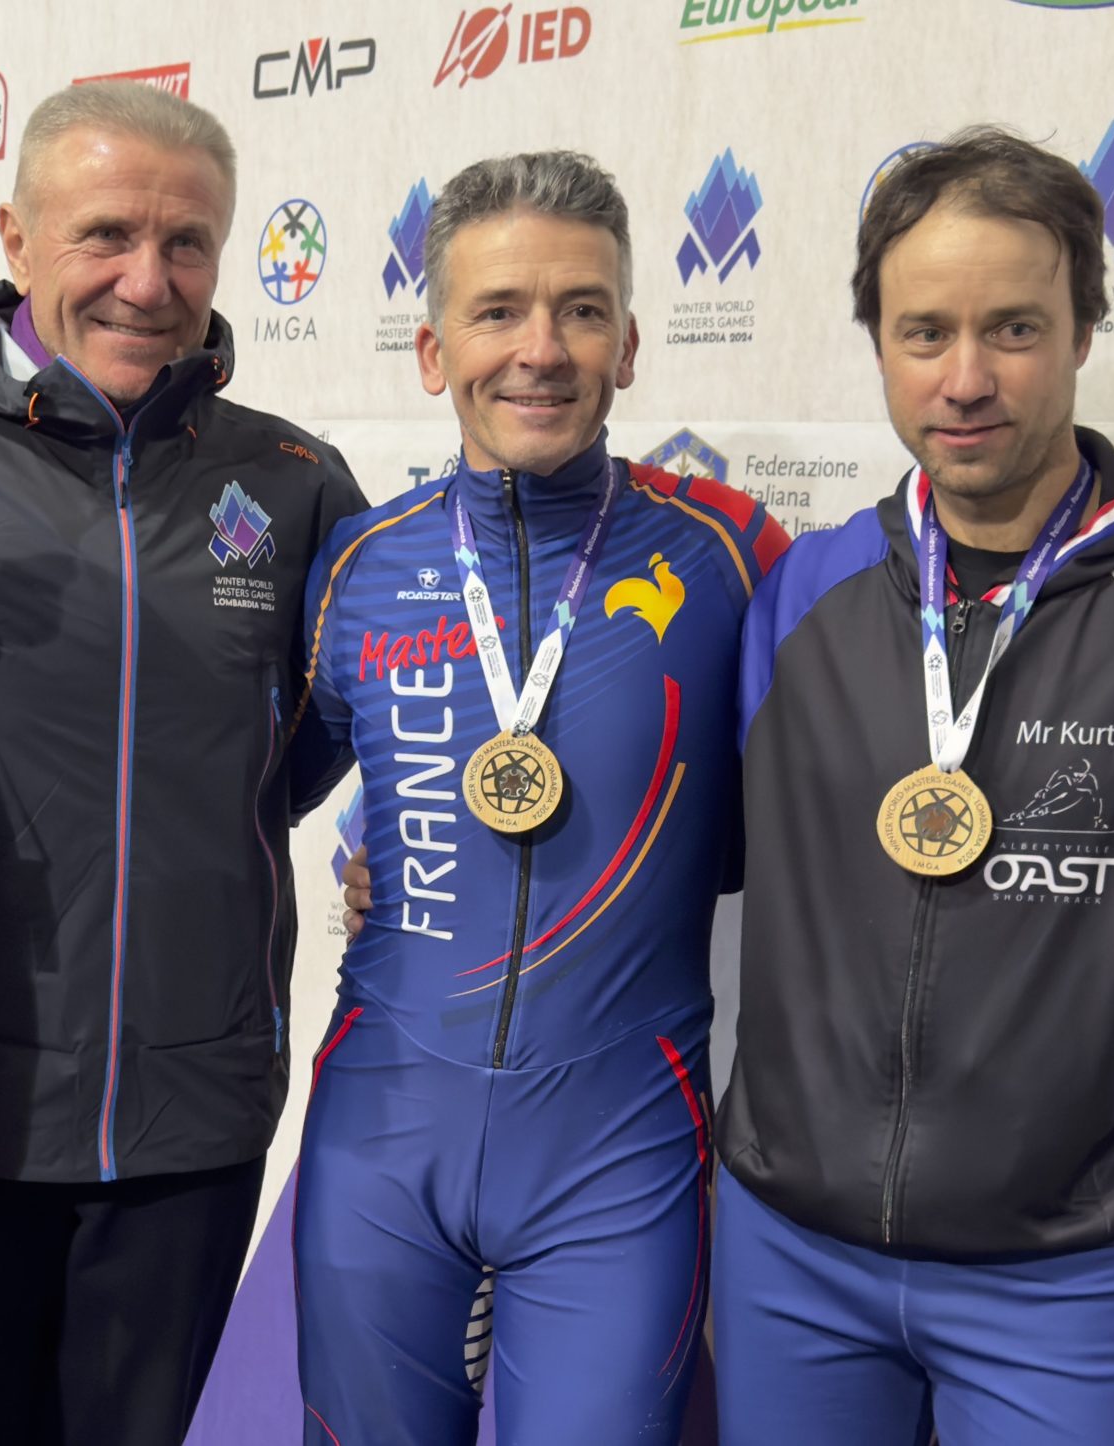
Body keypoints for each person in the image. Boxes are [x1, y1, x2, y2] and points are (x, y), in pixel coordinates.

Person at [716, 126, 1114, 1446]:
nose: (965, 379)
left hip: (1061, 1277)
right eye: (923, 332)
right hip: (788, 1258)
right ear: (879, 343)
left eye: (1014, 327)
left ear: (1084, 327)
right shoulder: (802, 590)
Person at [0, 82, 367, 1442]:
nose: (148, 280)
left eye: (188, 243)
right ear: (14, 235)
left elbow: (310, 748)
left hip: (195, 1115)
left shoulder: (296, 485)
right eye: (106, 234)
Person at [292, 152, 785, 1443]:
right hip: (382, 1127)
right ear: (430, 345)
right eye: (500, 309)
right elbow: (305, 782)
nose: (541, 350)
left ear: (630, 342)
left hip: (618, 1139)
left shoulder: (737, 552)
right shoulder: (361, 565)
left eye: (580, 309)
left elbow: (791, 819)